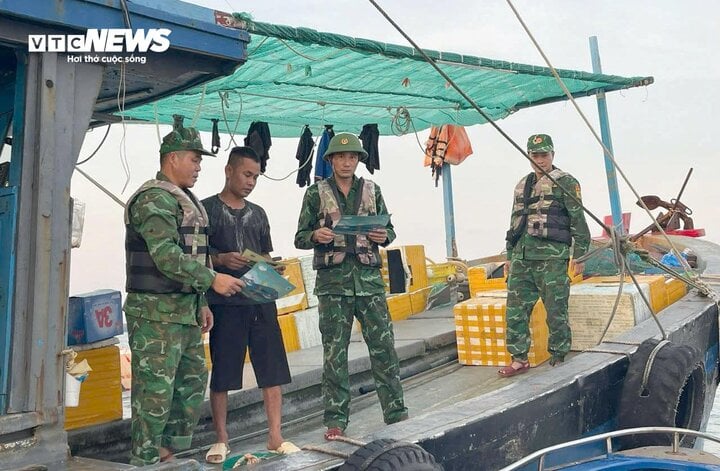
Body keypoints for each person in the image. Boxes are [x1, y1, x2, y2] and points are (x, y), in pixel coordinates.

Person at [123, 116, 245, 466]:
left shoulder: (185, 200)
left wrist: (201, 302)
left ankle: (165, 454)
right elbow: (166, 257)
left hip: (185, 311)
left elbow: (193, 253)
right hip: (154, 315)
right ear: (172, 158)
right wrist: (213, 280)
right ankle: (144, 460)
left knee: (190, 387)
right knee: (154, 396)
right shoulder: (154, 200)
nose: (198, 168)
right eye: (194, 159)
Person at [294, 132, 408, 440]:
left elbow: (390, 230)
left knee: (384, 348)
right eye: (341, 157)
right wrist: (315, 235)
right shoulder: (315, 193)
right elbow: (300, 236)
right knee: (334, 354)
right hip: (333, 286)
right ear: (330, 160)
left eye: (353, 157)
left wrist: (385, 236)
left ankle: (396, 412)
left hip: (370, 284)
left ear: (359, 160)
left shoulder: (373, 190)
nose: (347, 161)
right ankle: (336, 419)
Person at [201, 146, 292, 464]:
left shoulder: (259, 213)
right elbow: (194, 259)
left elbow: (266, 253)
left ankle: (276, 435)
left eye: (256, 176)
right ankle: (221, 439)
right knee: (223, 371)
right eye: (246, 174)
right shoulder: (205, 210)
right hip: (225, 301)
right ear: (229, 170)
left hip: (260, 297)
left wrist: (272, 266)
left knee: (273, 368)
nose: (251, 181)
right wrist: (220, 259)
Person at [499, 133, 591, 377]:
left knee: (555, 309)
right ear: (529, 156)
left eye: (544, 155)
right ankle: (519, 358)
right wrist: (509, 256)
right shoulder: (522, 184)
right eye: (535, 155)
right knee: (515, 310)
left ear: (552, 155)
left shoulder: (566, 182)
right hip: (522, 257)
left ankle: (559, 355)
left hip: (552, 258)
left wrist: (580, 255)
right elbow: (514, 222)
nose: (540, 160)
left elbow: (578, 221)